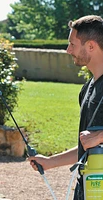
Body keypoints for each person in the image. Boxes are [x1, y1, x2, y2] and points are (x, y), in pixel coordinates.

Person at [28, 15, 103, 200]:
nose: (68, 50)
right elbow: (86, 145)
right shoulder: (87, 89)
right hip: (87, 187)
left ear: (91, 46)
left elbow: (95, 139)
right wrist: (49, 162)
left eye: (72, 44)